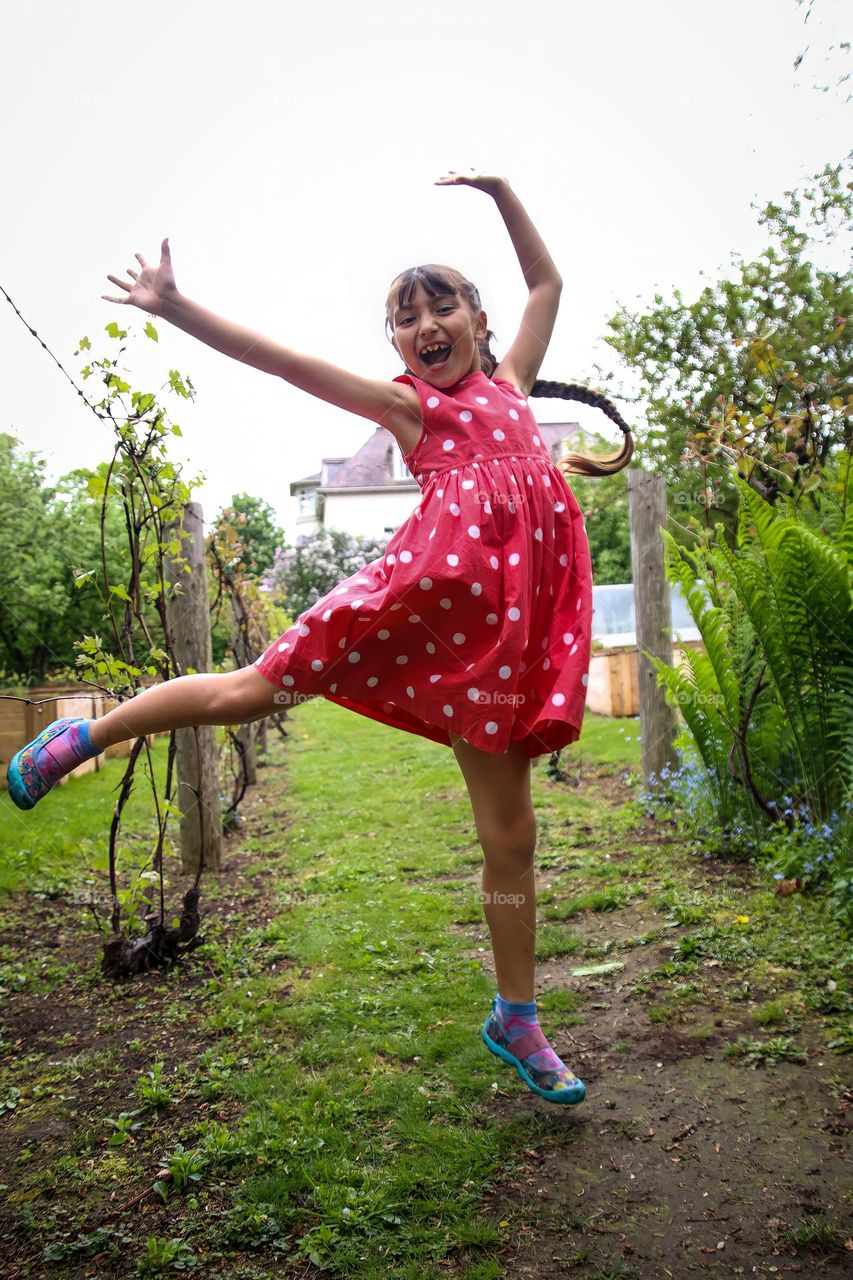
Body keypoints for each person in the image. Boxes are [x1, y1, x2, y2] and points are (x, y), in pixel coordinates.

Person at [7, 171, 633, 1105]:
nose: (425, 325)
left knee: (512, 838)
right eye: (405, 318)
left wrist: (502, 194)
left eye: (442, 307)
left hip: (494, 647)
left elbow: (547, 283)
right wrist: (175, 308)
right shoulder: (411, 409)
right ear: (397, 345)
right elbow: (281, 361)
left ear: (478, 318)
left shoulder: (512, 387)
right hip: (404, 611)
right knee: (243, 693)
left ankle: (517, 1016)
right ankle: (82, 734)